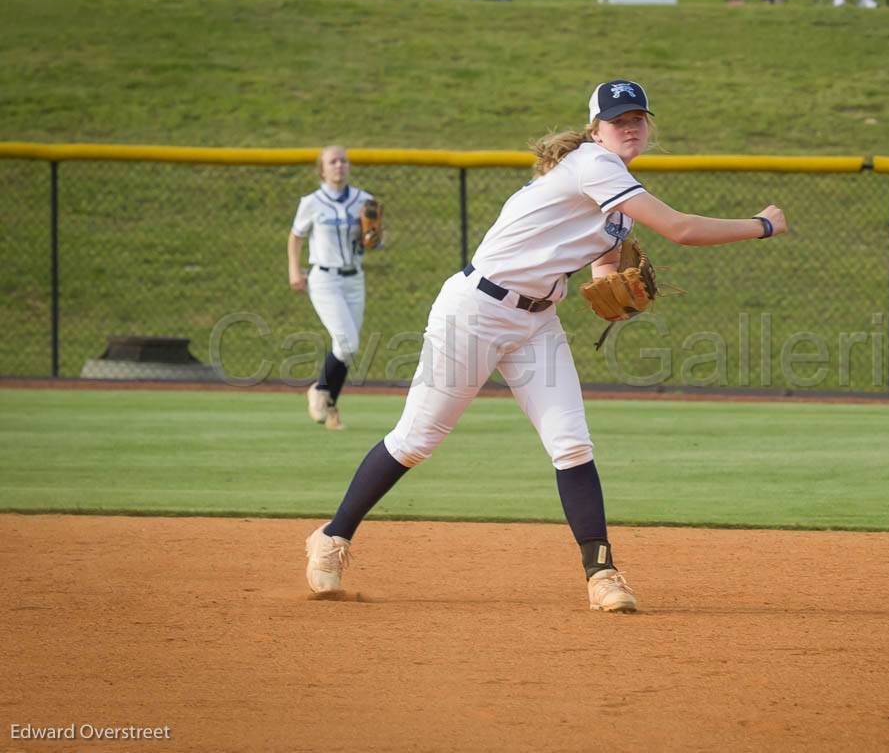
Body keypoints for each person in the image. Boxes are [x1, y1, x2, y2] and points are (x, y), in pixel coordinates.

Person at [303, 80, 789, 612]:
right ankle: (331, 537)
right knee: (417, 439)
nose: (628, 126)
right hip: (476, 311)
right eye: (617, 118)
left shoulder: (618, 193)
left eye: (637, 118)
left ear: (648, 126)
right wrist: (763, 225)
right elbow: (681, 230)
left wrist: (614, 280)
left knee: (572, 443)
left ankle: (602, 574)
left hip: (536, 322)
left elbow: (605, 258)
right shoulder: (593, 164)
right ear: (596, 128)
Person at [287, 145, 377, 432]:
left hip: (354, 278)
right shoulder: (312, 202)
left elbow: (374, 241)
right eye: (333, 161)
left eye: (343, 161)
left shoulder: (364, 200)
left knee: (346, 348)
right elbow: (296, 237)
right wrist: (294, 269)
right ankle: (320, 392)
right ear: (322, 169)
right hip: (324, 278)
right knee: (348, 343)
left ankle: (327, 406)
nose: (339, 165)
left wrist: (375, 235)